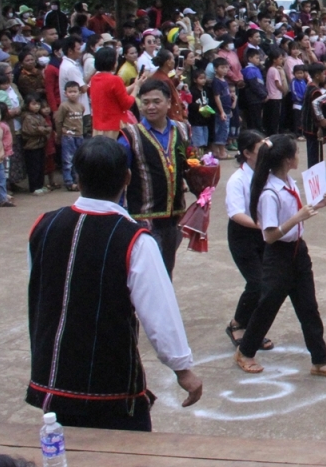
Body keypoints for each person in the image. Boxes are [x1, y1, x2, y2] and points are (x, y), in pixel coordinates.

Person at [26, 136, 202, 431]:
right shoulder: (134, 239)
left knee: (67, 450)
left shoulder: (44, 225)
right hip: (109, 381)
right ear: (127, 179)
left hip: (51, 376)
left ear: (78, 179)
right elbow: (158, 312)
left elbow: (39, 288)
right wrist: (182, 369)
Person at [233, 135, 326, 379]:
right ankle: (245, 351)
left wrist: (315, 206)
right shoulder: (269, 193)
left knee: (308, 307)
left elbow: (293, 211)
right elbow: (271, 235)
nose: (298, 156)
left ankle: (319, 360)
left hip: (298, 251)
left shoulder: (288, 182)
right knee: (268, 305)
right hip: (279, 255)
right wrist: (299, 217)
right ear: (286, 159)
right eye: (295, 153)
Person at [119, 80, 189, 279]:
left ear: (169, 102)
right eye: (145, 101)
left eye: (156, 101)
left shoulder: (182, 131)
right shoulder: (129, 136)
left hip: (175, 217)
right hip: (143, 218)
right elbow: (118, 177)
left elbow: (190, 167)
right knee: (147, 276)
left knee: (166, 271)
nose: (150, 106)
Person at [223, 129, 274, 353]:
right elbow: (236, 213)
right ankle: (238, 324)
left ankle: (254, 328)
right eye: (259, 149)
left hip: (265, 233)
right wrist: (263, 224)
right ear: (246, 153)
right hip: (243, 234)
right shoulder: (237, 180)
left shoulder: (269, 173)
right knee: (256, 282)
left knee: (270, 283)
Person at [18, 95, 51, 194]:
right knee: (34, 167)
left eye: (38, 104)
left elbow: (47, 128)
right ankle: (34, 187)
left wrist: (43, 129)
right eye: (34, 104)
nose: (37, 106)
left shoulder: (40, 116)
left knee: (41, 166)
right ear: (27, 105)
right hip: (31, 146)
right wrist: (42, 130)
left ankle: (40, 185)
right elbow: (31, 131)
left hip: (40, 144)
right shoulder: (27, 117)